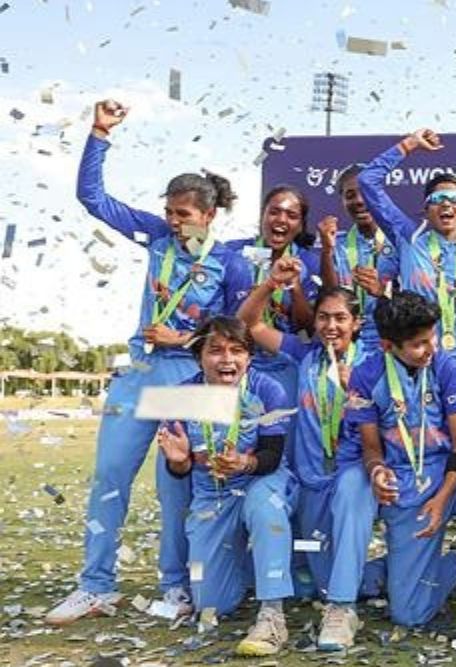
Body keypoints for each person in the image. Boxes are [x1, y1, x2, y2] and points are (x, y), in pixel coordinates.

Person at [47, 100, 252, 626]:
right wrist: (99, 133)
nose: (174, 222)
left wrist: (184, 338)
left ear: (208, 216)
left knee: (175, 489)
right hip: (138, 373)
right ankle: (95, 586)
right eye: (170, 213)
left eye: (183, 215)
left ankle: (175, 588)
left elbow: (234, 336)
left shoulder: (228, 262)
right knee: (110, 477)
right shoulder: (156, 239)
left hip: (187, 379)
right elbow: (92, 198)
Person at [345, 291, 456, 666]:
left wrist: (441, 499)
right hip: (408, 484)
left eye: (432, 338)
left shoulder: (448, 368)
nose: (431, 348)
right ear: (390, 345)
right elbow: (371, 447)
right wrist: (377, 472)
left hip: (453, 479)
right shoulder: (365, 375)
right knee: (408, 614)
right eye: (419, 344)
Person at [238, 258, 383, 651]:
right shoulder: (304, 354)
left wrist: (366, 389)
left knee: (345, 573)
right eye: (323, 317)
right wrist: (271, 284)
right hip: (305, 478)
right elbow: (249, 324)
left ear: (356, 324)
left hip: (350, 476)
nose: (331, 326)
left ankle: (342, 609)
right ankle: (272, 614)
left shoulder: (375, 363)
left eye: (340, 319)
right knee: (315, 575)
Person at [154, 316, 295, 657]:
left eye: (237, 350)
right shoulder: (180, 397)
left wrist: (245, 463)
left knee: (265, 508)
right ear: (199, 356)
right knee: (211, 602)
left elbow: (272, 456)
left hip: (263, 481)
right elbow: (181, 469)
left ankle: (272, 614)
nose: (227, 360)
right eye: (215, 351)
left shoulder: (267, 389)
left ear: (249, 357)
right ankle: (251, 567)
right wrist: (177, 461)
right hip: (212, 495)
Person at [358, 131, 456, 444]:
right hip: (415, 355)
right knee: (417, 444)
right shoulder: (409, 238)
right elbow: (367, 181)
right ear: (426, 211)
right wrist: (409, 144)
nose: (447, 205)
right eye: (437, 200)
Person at [225, 184, 319, 398]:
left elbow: (306, 330)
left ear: (301, 225)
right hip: (234, 363)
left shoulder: (309, 263)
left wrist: (294, 288)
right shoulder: (233, 253)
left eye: (291, 215)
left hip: (284, 365)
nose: (281, 220)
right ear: (262, 215)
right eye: (274, 212)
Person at [317, 165, 402, 348]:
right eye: (350, 195)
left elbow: (414, 298)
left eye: (366, 193)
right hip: (348, 344)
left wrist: (383, 291)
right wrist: (327, 251)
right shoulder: (336, 243)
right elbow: (330, 295)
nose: (359, 201)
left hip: (389, 343)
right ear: (342, 201)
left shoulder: (400, 243)